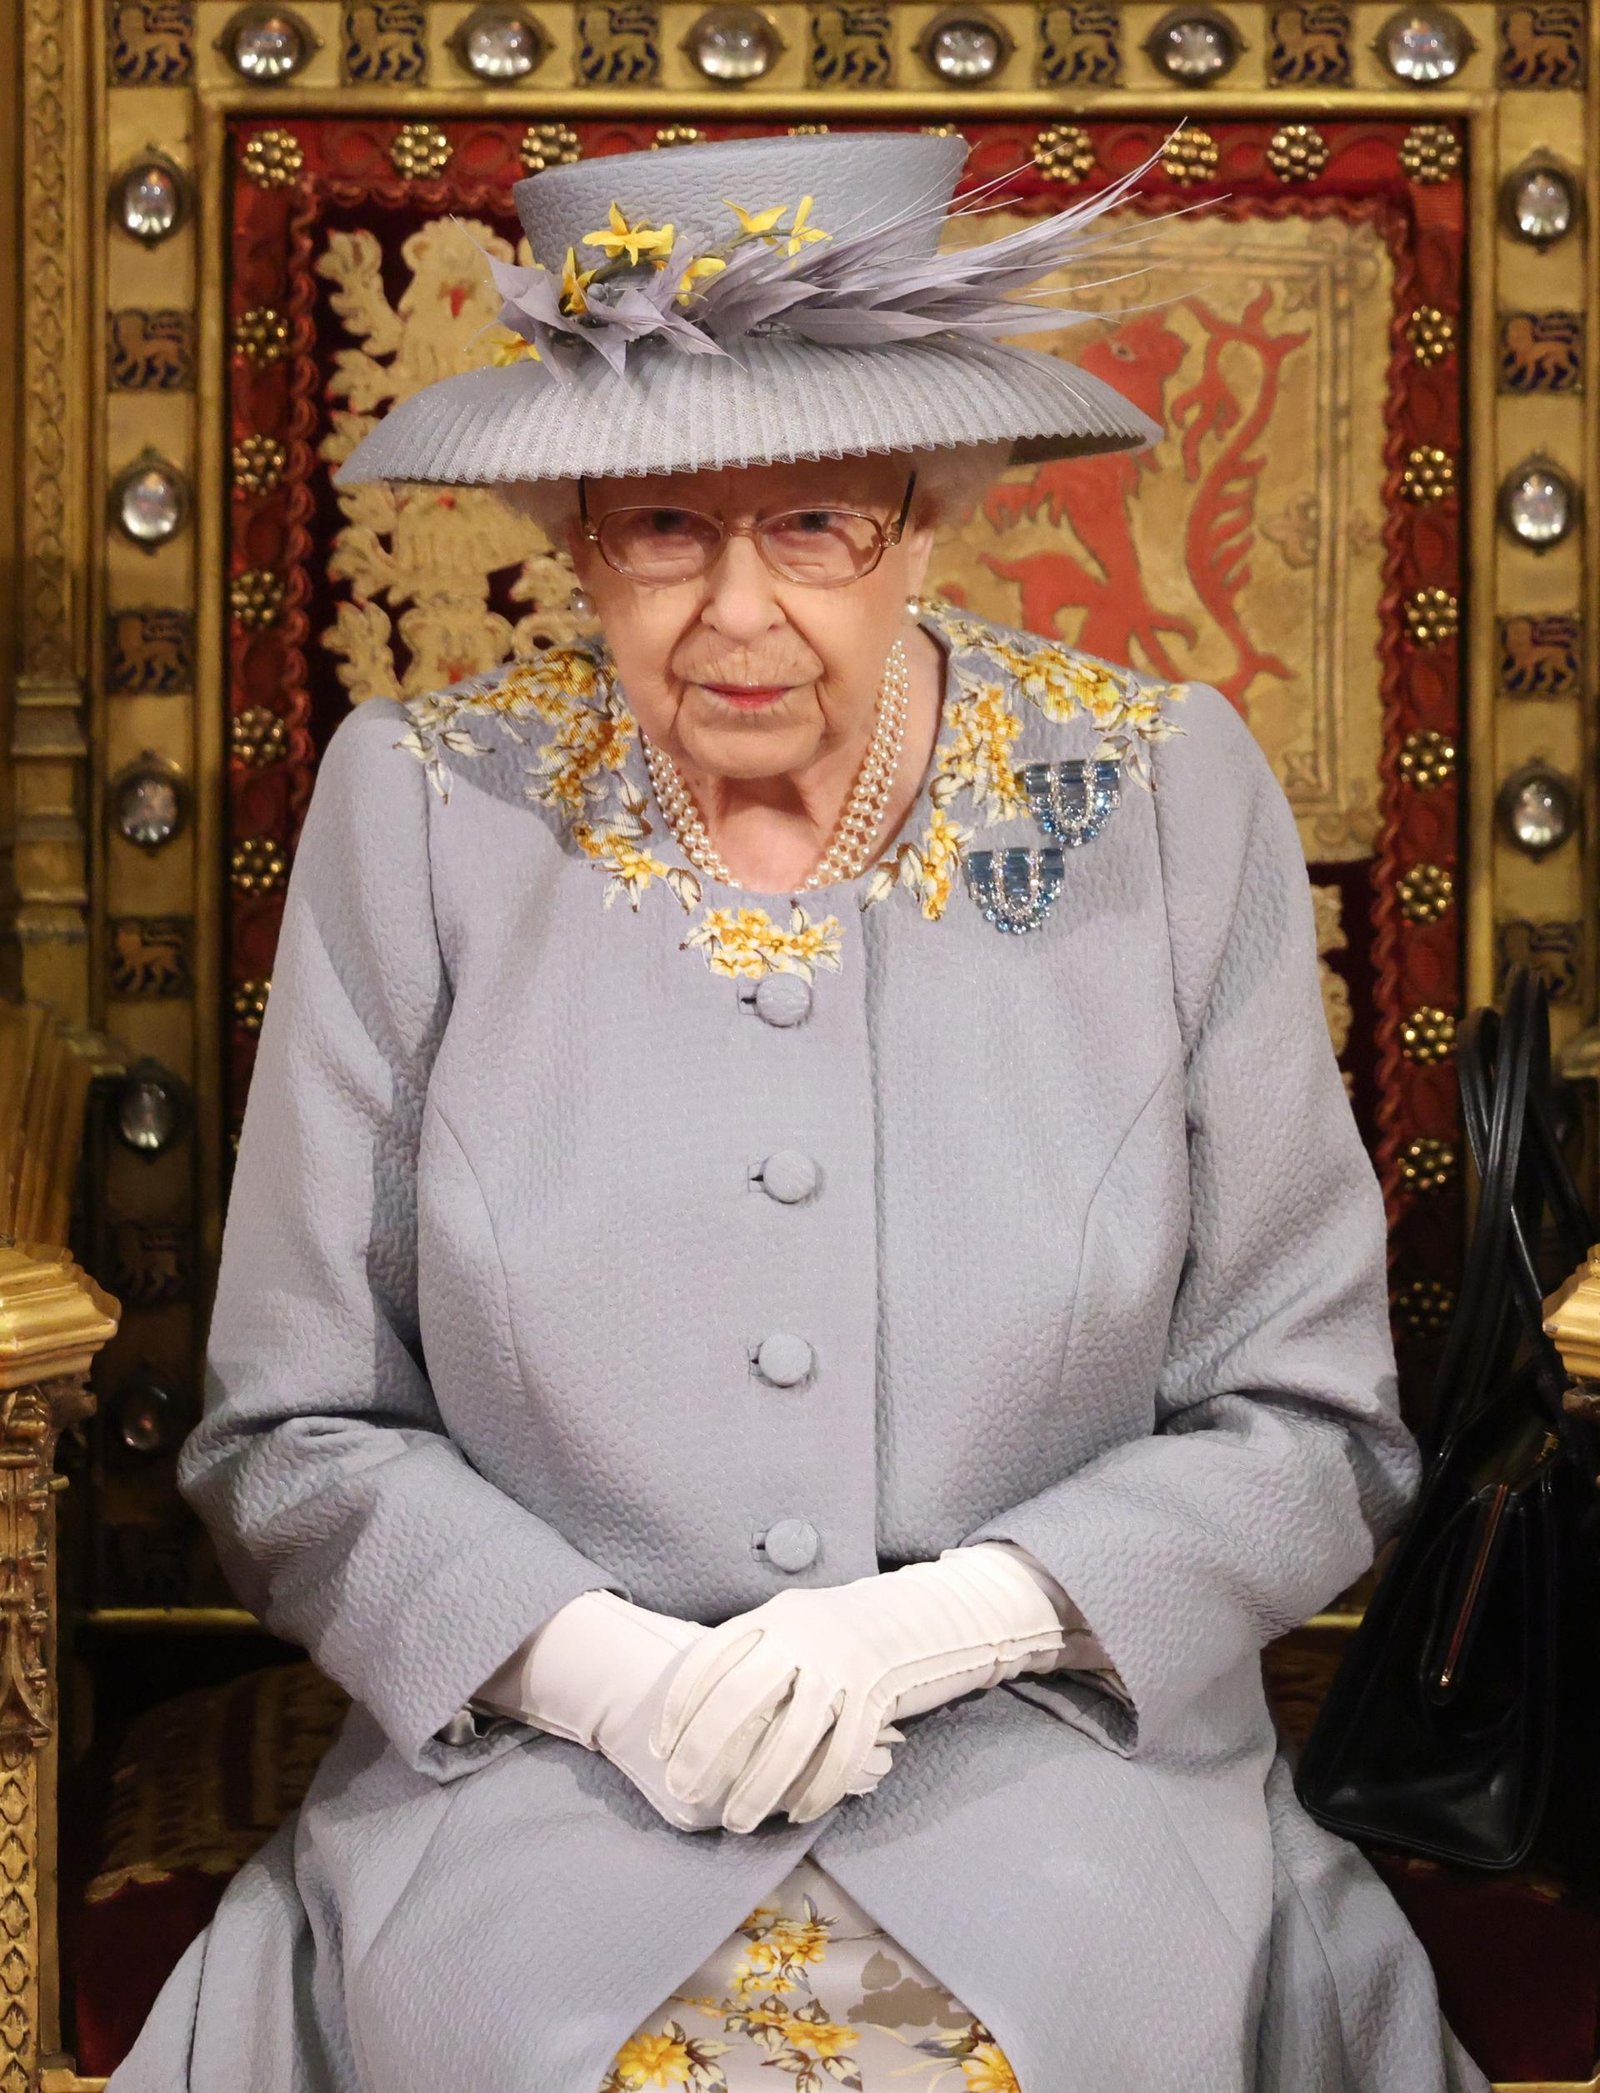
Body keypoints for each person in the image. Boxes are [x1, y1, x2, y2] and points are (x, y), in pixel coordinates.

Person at [110, 130, 1490, 2092]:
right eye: (660, 527)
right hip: (528, 1792)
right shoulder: (421, 808)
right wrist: (592, 1672)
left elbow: (1308, 1430)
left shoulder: (1161, 798)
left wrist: (936, 1631)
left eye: (816, 526)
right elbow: (287, 1437)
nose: (734, 612)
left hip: (1060, 1777)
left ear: (929, 519)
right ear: (573, 530)